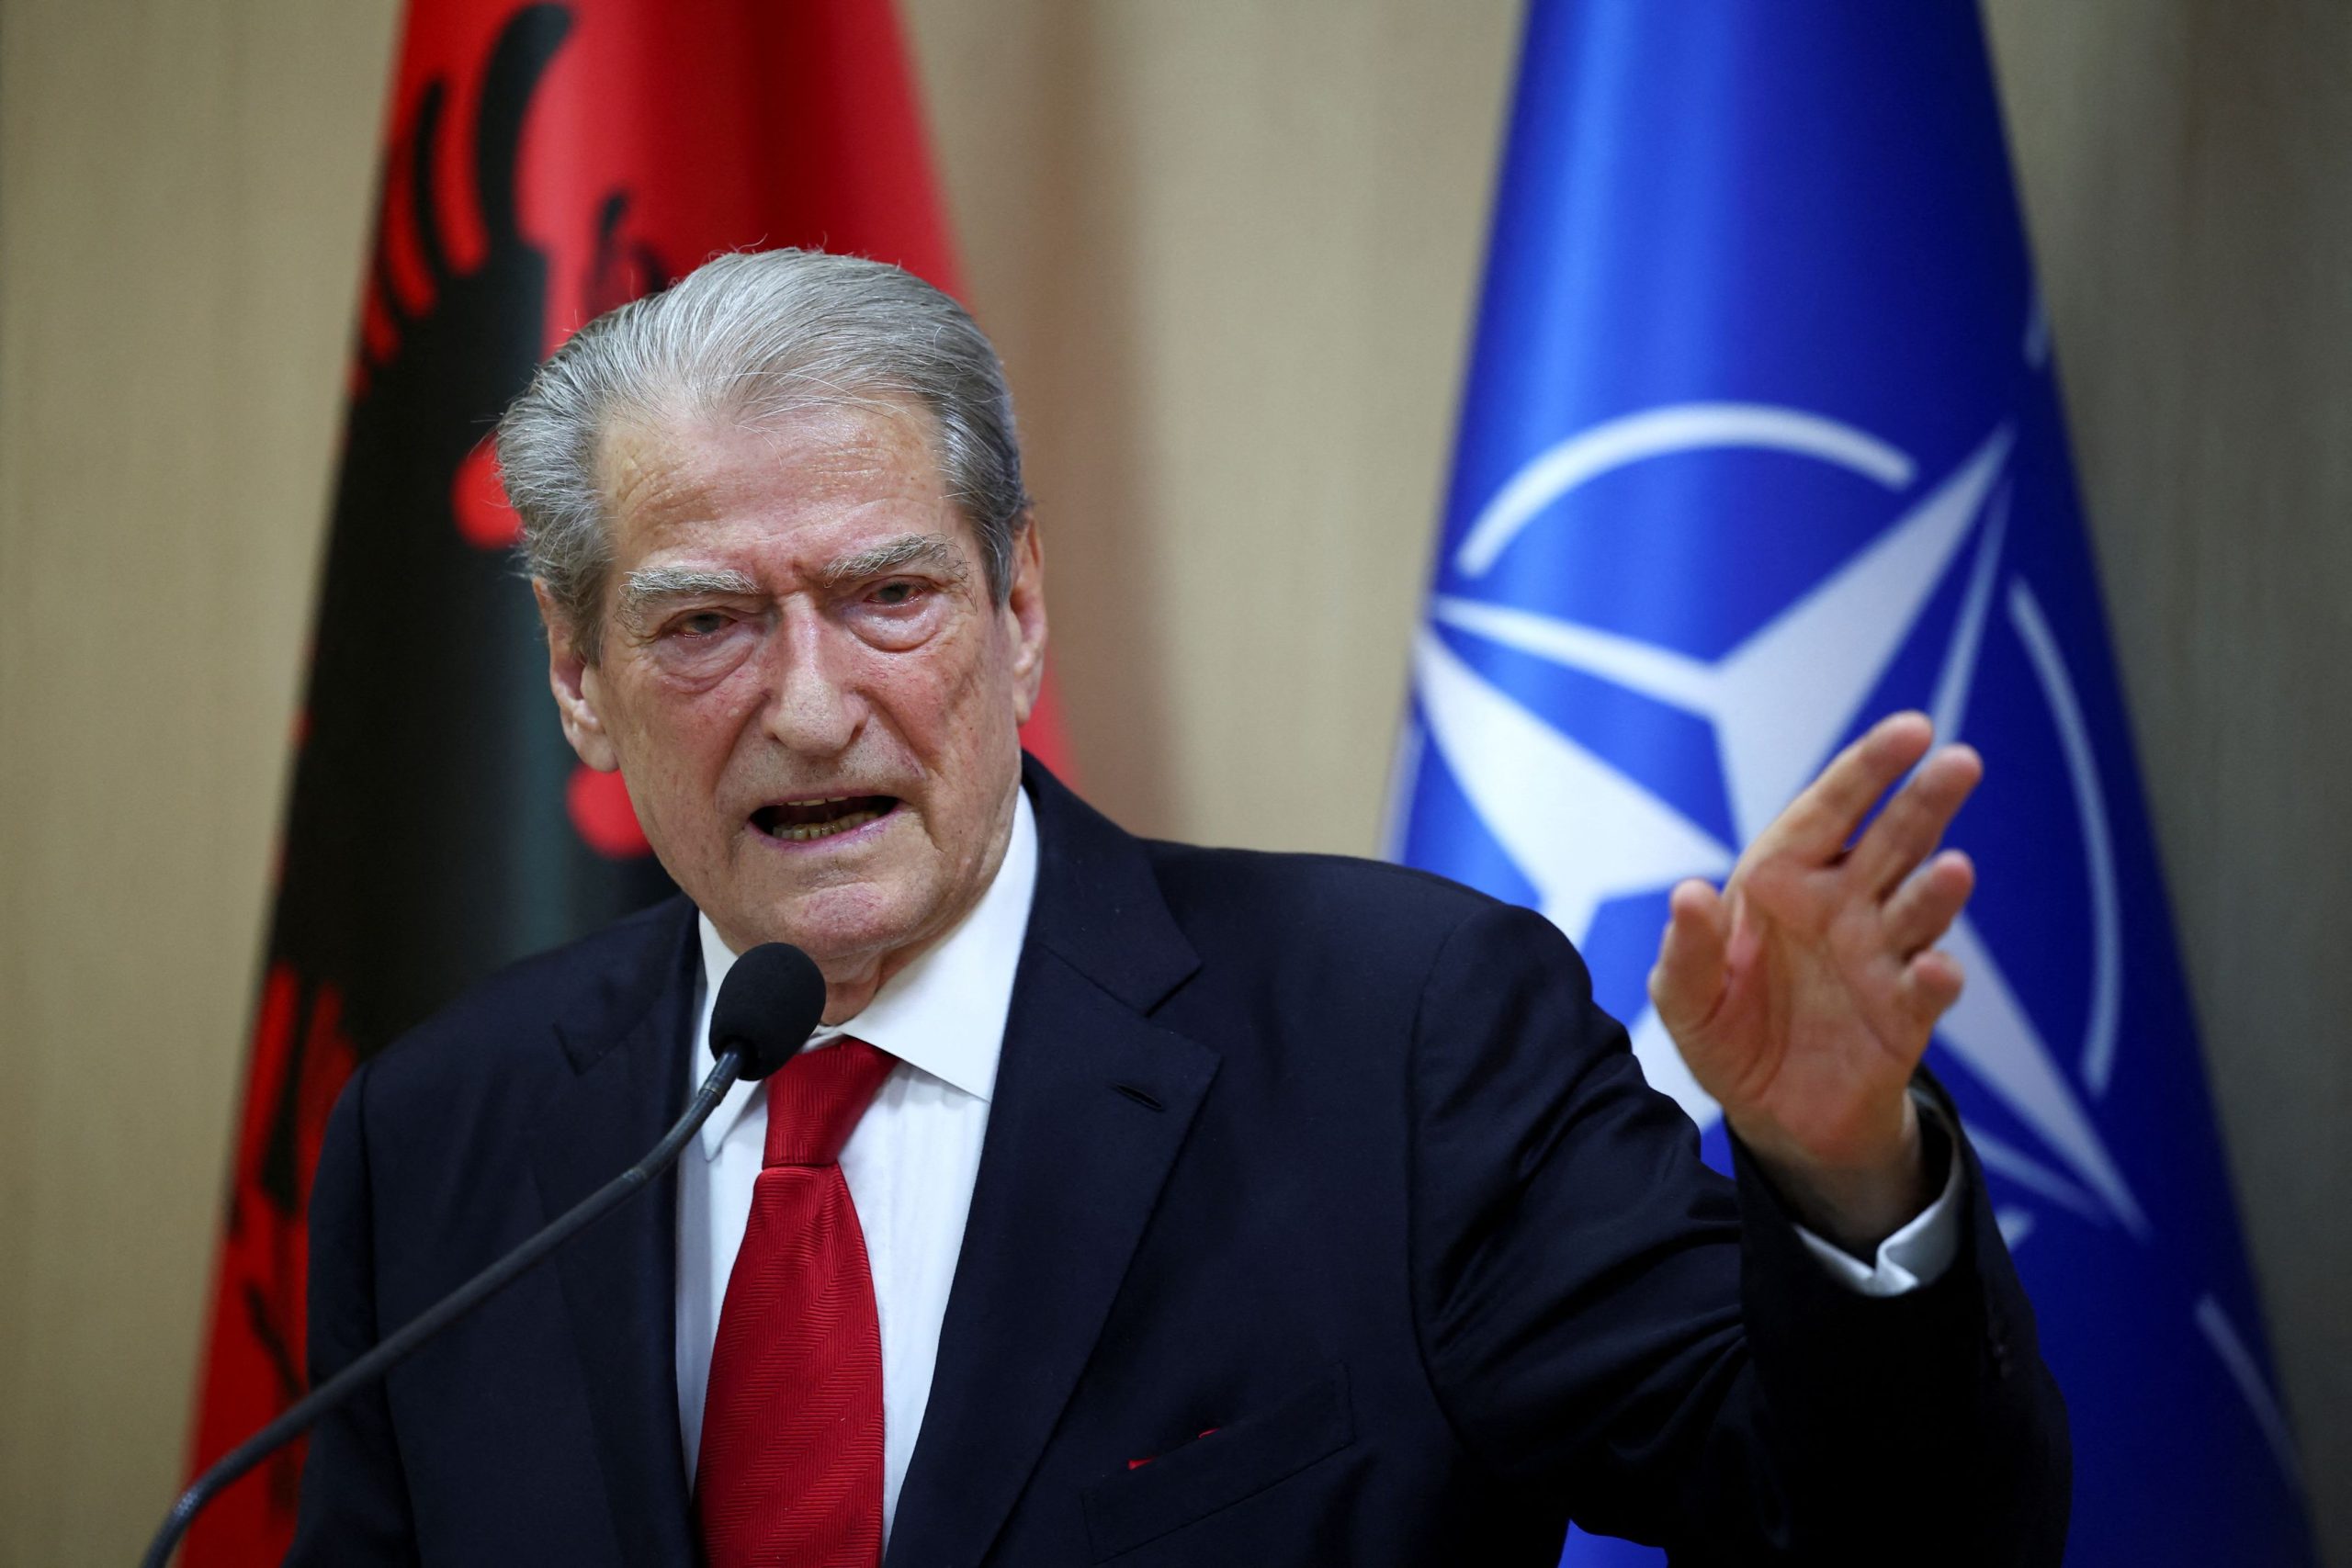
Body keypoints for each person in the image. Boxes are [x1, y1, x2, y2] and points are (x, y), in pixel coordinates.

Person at [290, 248, 2066, 1567]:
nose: (812, 708)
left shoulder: (1401, 1041)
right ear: (579, 678)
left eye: (890, 596)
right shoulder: (439, 1138)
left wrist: (1848, 1180)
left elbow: (1880, 1540)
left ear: (1019, 611)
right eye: (704, 625)